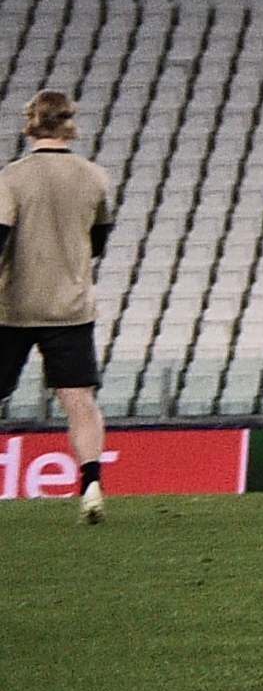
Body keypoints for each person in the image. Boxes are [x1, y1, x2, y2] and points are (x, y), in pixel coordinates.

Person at [0, 90, 118, 524]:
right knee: (80, 402)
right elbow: (99, 240)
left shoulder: (11, 178)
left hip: (12, 307)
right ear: (70, 124)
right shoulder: (94, 177)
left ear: (30, 124)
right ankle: (90, 486)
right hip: (71, 307)